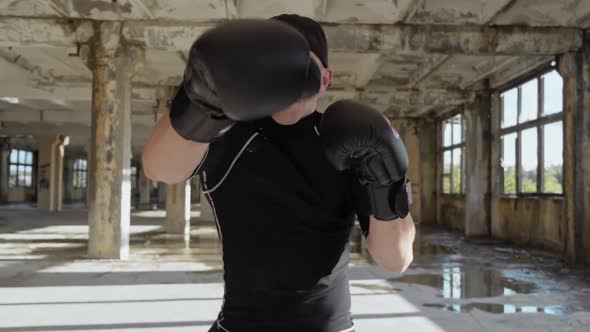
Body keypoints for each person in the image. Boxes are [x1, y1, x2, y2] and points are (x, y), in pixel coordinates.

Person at [142, 14, 416, 332]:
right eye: (280, 69)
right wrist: (202, 101)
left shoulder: (347, 143)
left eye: (303, 69)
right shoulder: (228, 132)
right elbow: (157, 167)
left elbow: (396, 259)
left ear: (325, 79)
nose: (290, 80)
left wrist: (386, 178)